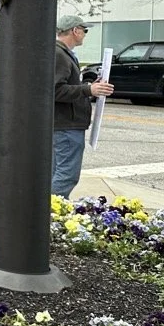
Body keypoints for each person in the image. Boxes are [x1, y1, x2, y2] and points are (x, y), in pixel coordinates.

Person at [53, 14, 112, 198]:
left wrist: (91, 86)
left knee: (57, 172)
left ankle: (46, 214)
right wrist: (88, 90)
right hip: (65, 126)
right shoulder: (59, 54)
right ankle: (50, 213)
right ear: (74, 30)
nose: (85, 34)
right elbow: (55, 90)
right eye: (84, 30)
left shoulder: (62, 53)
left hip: (64, 125)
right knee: (66, 175)